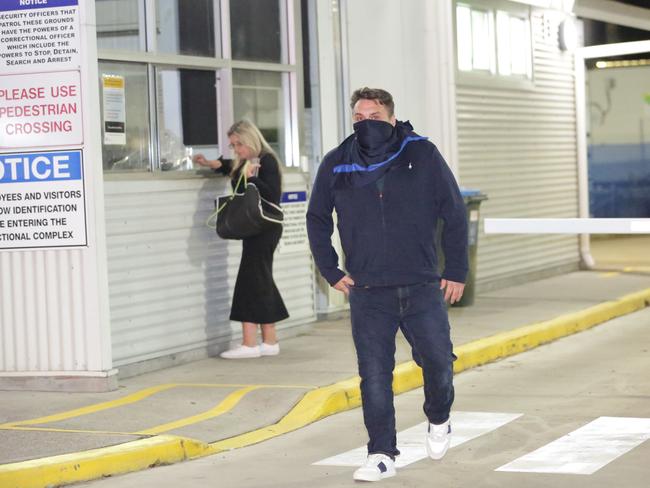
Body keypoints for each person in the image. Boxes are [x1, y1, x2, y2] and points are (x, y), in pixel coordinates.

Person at [306, 88, 468, 482]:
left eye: (374, 115)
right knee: (375, 376)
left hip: (422, 285)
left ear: (392, 118)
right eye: (359, 117)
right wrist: (330, 268)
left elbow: (454, 211)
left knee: (438, 362)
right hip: (368, 291)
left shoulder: (422, 155)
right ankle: (381, 453)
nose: (366, 123)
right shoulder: (338, 163)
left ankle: (439, 416)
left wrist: (456, 269)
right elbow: (317, 218)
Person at [194, 120, 289, 359]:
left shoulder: (265, 160)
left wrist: (250, 178)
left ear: (250, 141)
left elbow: (271, 193)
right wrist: (212, 163)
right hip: (257, 228)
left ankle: (249, 343)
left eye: (238, 144)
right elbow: (230, 168)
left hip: (264, 227)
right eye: (233, 145)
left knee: (250, 281)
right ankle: (269, 340)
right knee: (261, 279)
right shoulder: (247, 162)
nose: (236, 149)